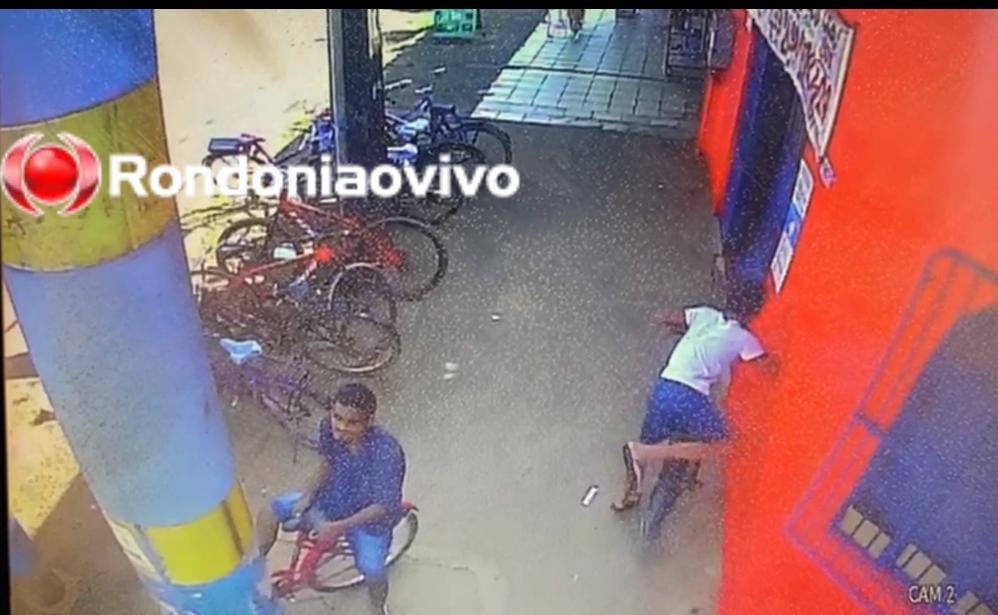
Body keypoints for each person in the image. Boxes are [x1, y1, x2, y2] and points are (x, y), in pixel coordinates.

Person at [612, 282, 776, 511]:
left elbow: (671, 318)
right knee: (725, 444)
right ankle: (643, 453)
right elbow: (770, 368)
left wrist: (675, 328)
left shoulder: (705, 314)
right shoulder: (743, 338)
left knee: (650, 435)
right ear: (754, 311)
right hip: (690, 395)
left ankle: (628, 495)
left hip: (665, 384)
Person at [258, 383, 405, 615]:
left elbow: (383, 505)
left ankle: (378, 606)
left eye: (352, 422)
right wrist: (307, 496)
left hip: (368, 521)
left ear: (369, 421)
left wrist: (338, 528)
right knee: (270, 512)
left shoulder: (387, 453)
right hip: (331, 500)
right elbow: (327, 462)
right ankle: (253, 569)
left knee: (373, 570)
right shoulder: (328, 428)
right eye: (337, 417)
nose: (341, 427)